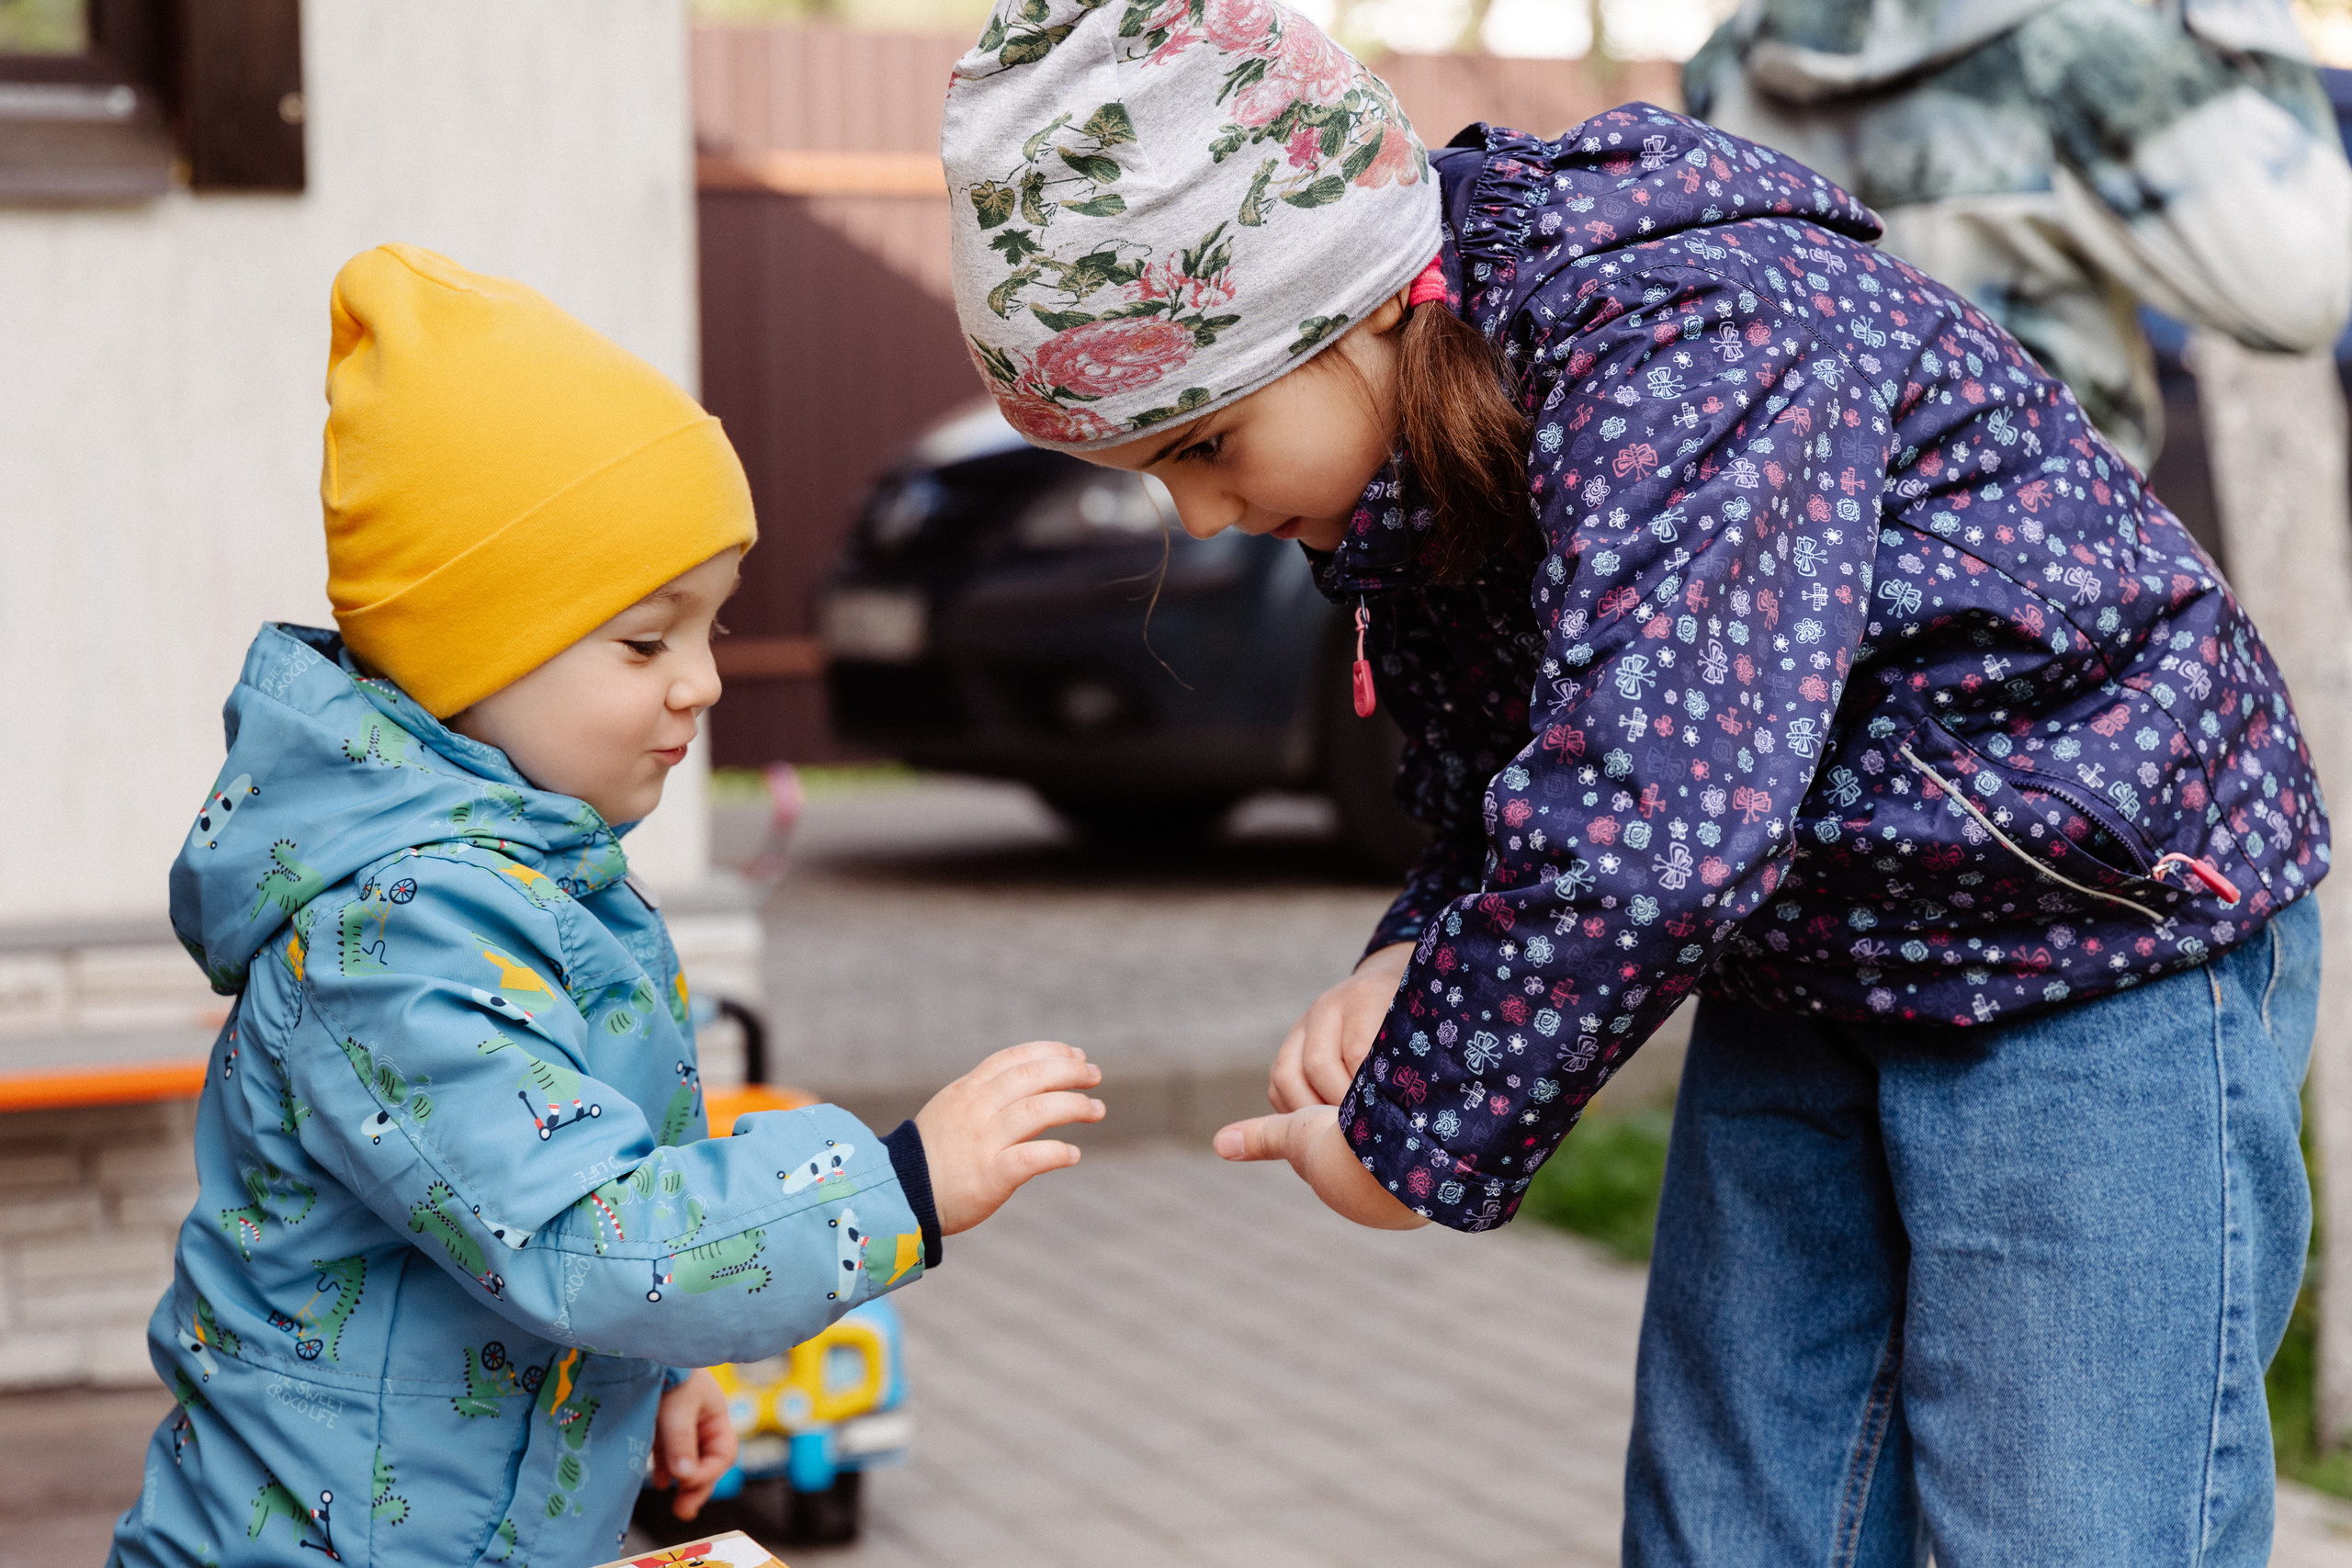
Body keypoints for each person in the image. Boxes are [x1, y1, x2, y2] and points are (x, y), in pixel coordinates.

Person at [941, 3, 2324, 1562]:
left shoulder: (1686, 333)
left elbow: (1654, 821)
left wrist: (1418, 1129)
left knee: (2065, 1521)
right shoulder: (1435, 408)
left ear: (1351, 310)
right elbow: (1504, 748)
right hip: (1824, 944)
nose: (1198, 518)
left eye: (1208, 443)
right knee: (1739, 1513)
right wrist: (1421, 943)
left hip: (2090, 939)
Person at [113, 244, 1104, 1568]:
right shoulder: (399, 931)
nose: (699, 682)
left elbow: (523, 1208)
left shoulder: (513, 871)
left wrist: (637, 1372)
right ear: (472, 647)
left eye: (713, 629)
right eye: (647, 639)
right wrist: (899, 1184)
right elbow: (584, 1238)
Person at [1682, 0, 2352, 474]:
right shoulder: (2074, 46)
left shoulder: (1727, 67)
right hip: (2038, 575)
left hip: (1806, 583)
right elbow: (2307, 292)